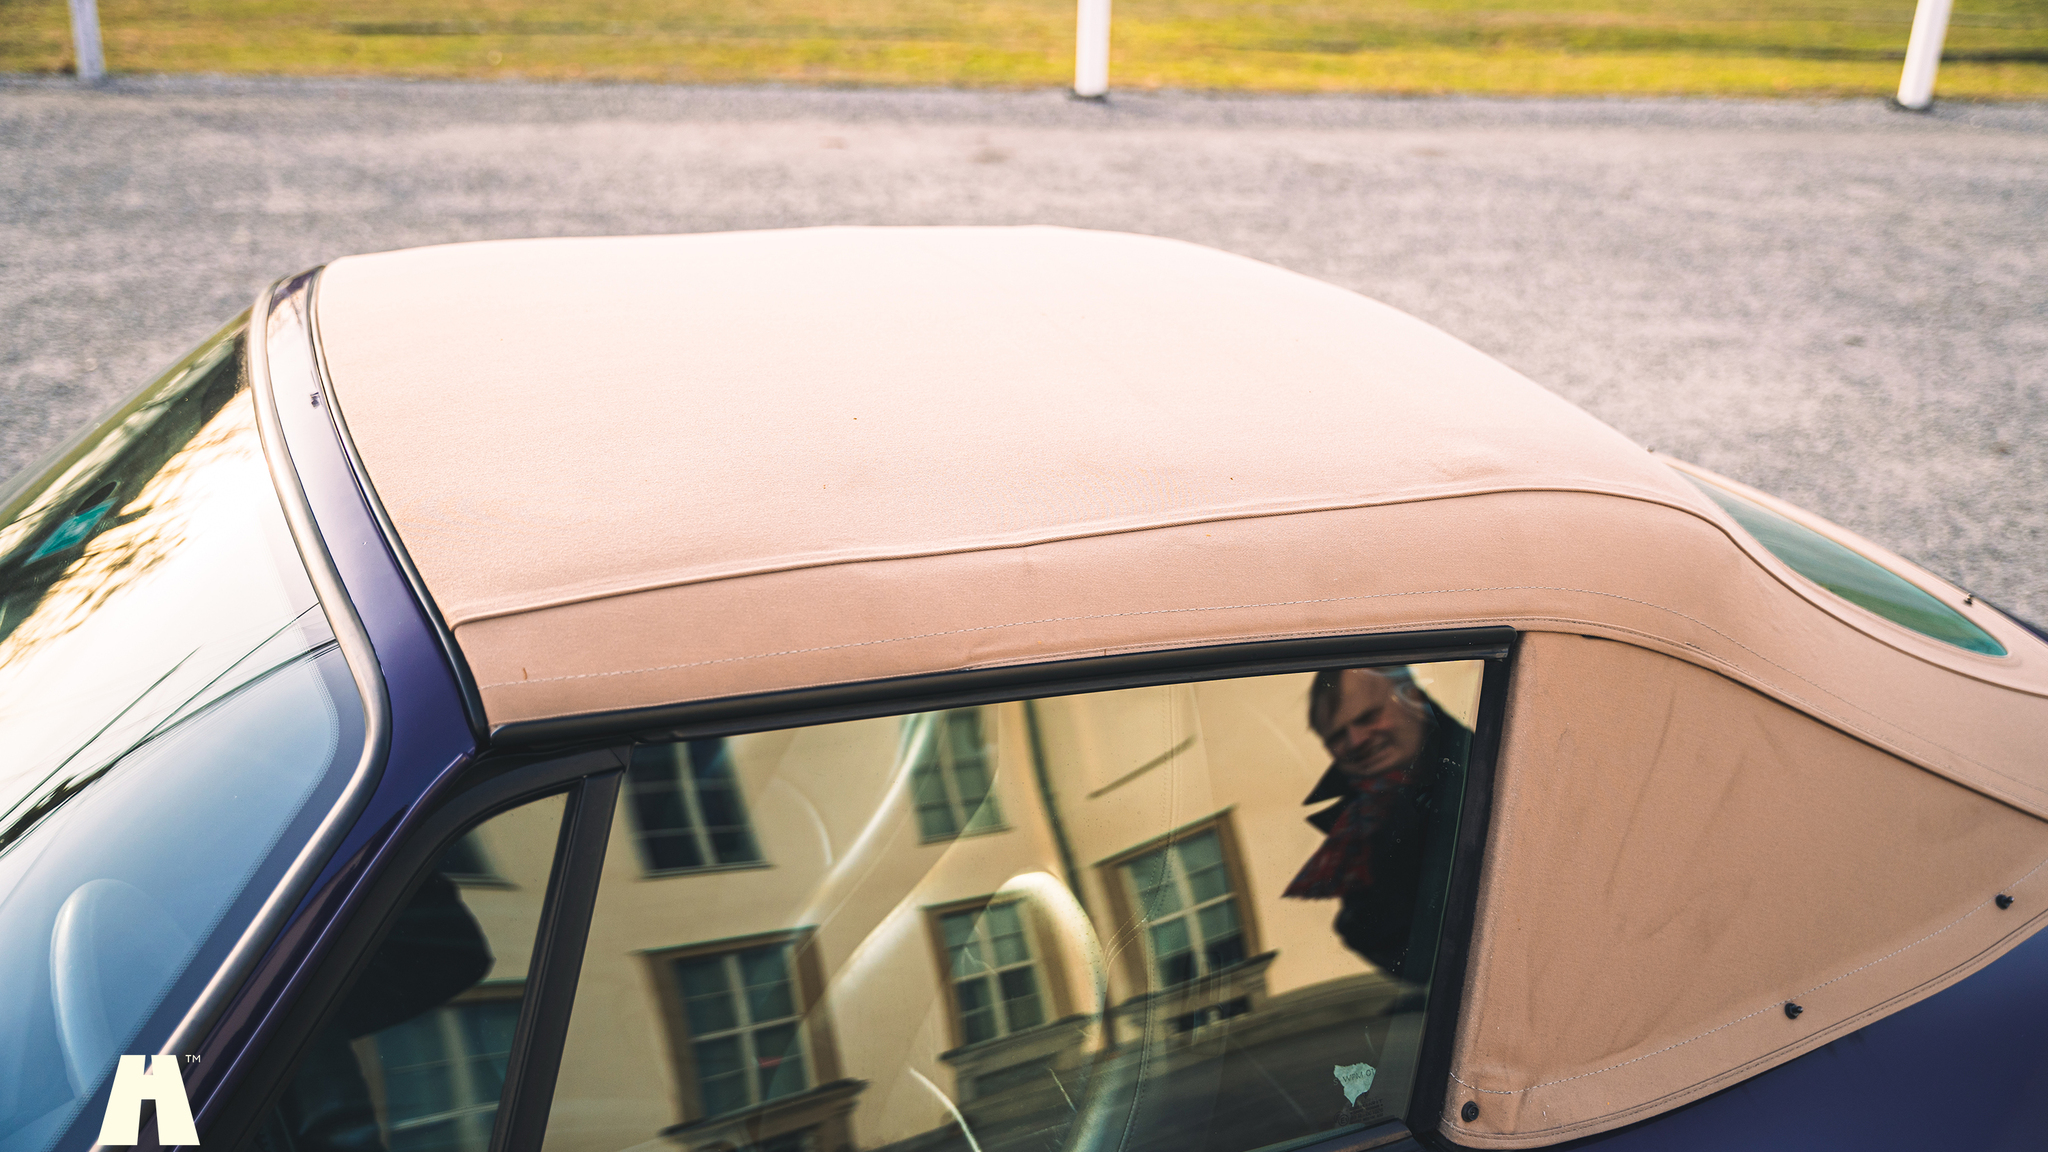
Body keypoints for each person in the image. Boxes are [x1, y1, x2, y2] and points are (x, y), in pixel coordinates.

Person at [1284, 666, 1469, 981]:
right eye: (1338, 736)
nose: (1355, 741)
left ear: (1412, 698)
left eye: (1368, 717)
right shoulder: (1360, 827)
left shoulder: (1487, 771)